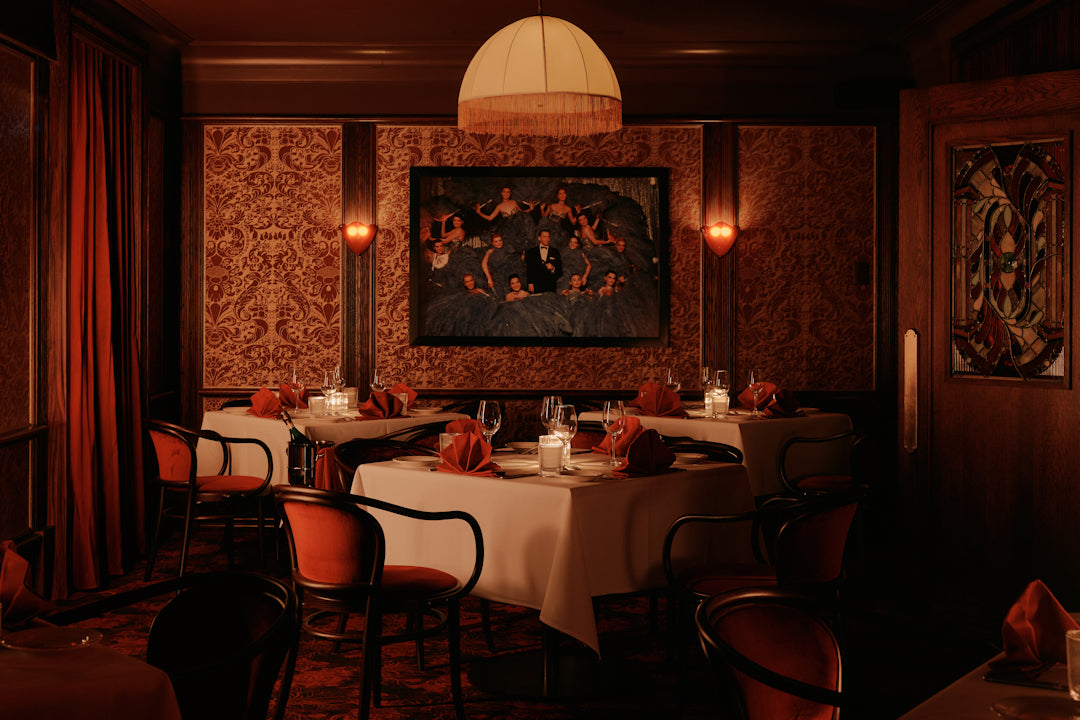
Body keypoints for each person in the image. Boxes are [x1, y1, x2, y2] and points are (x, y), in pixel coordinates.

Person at [523, 229, 562, 294]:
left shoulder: (555, 252)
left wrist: (553, 268)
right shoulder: (531, 252)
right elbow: (529, 269)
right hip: (536, 285)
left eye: (548, 237)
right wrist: (530, 283)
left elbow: (560, 270)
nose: (547, 239)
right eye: (544, 237)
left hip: (550, 286)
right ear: (539, 238)